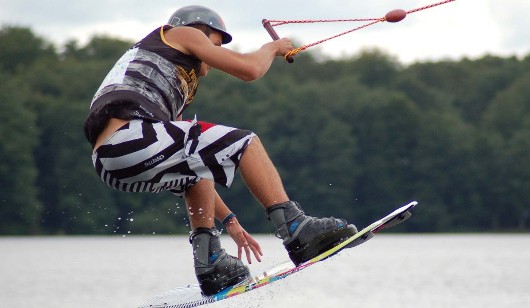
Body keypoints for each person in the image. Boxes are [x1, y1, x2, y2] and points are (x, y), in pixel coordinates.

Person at [83, 5, 357, 295]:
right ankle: (296, 229)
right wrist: (272, 48)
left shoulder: (164, 79)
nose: (213, 58)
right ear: (201, 30)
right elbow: (250, 70)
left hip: (111, 162)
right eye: (215, 43)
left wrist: (230, 221)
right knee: (246, 142)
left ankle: (210, 262)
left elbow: (189, 160)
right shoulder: (182, 33)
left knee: (197, 168)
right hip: (131, 137)